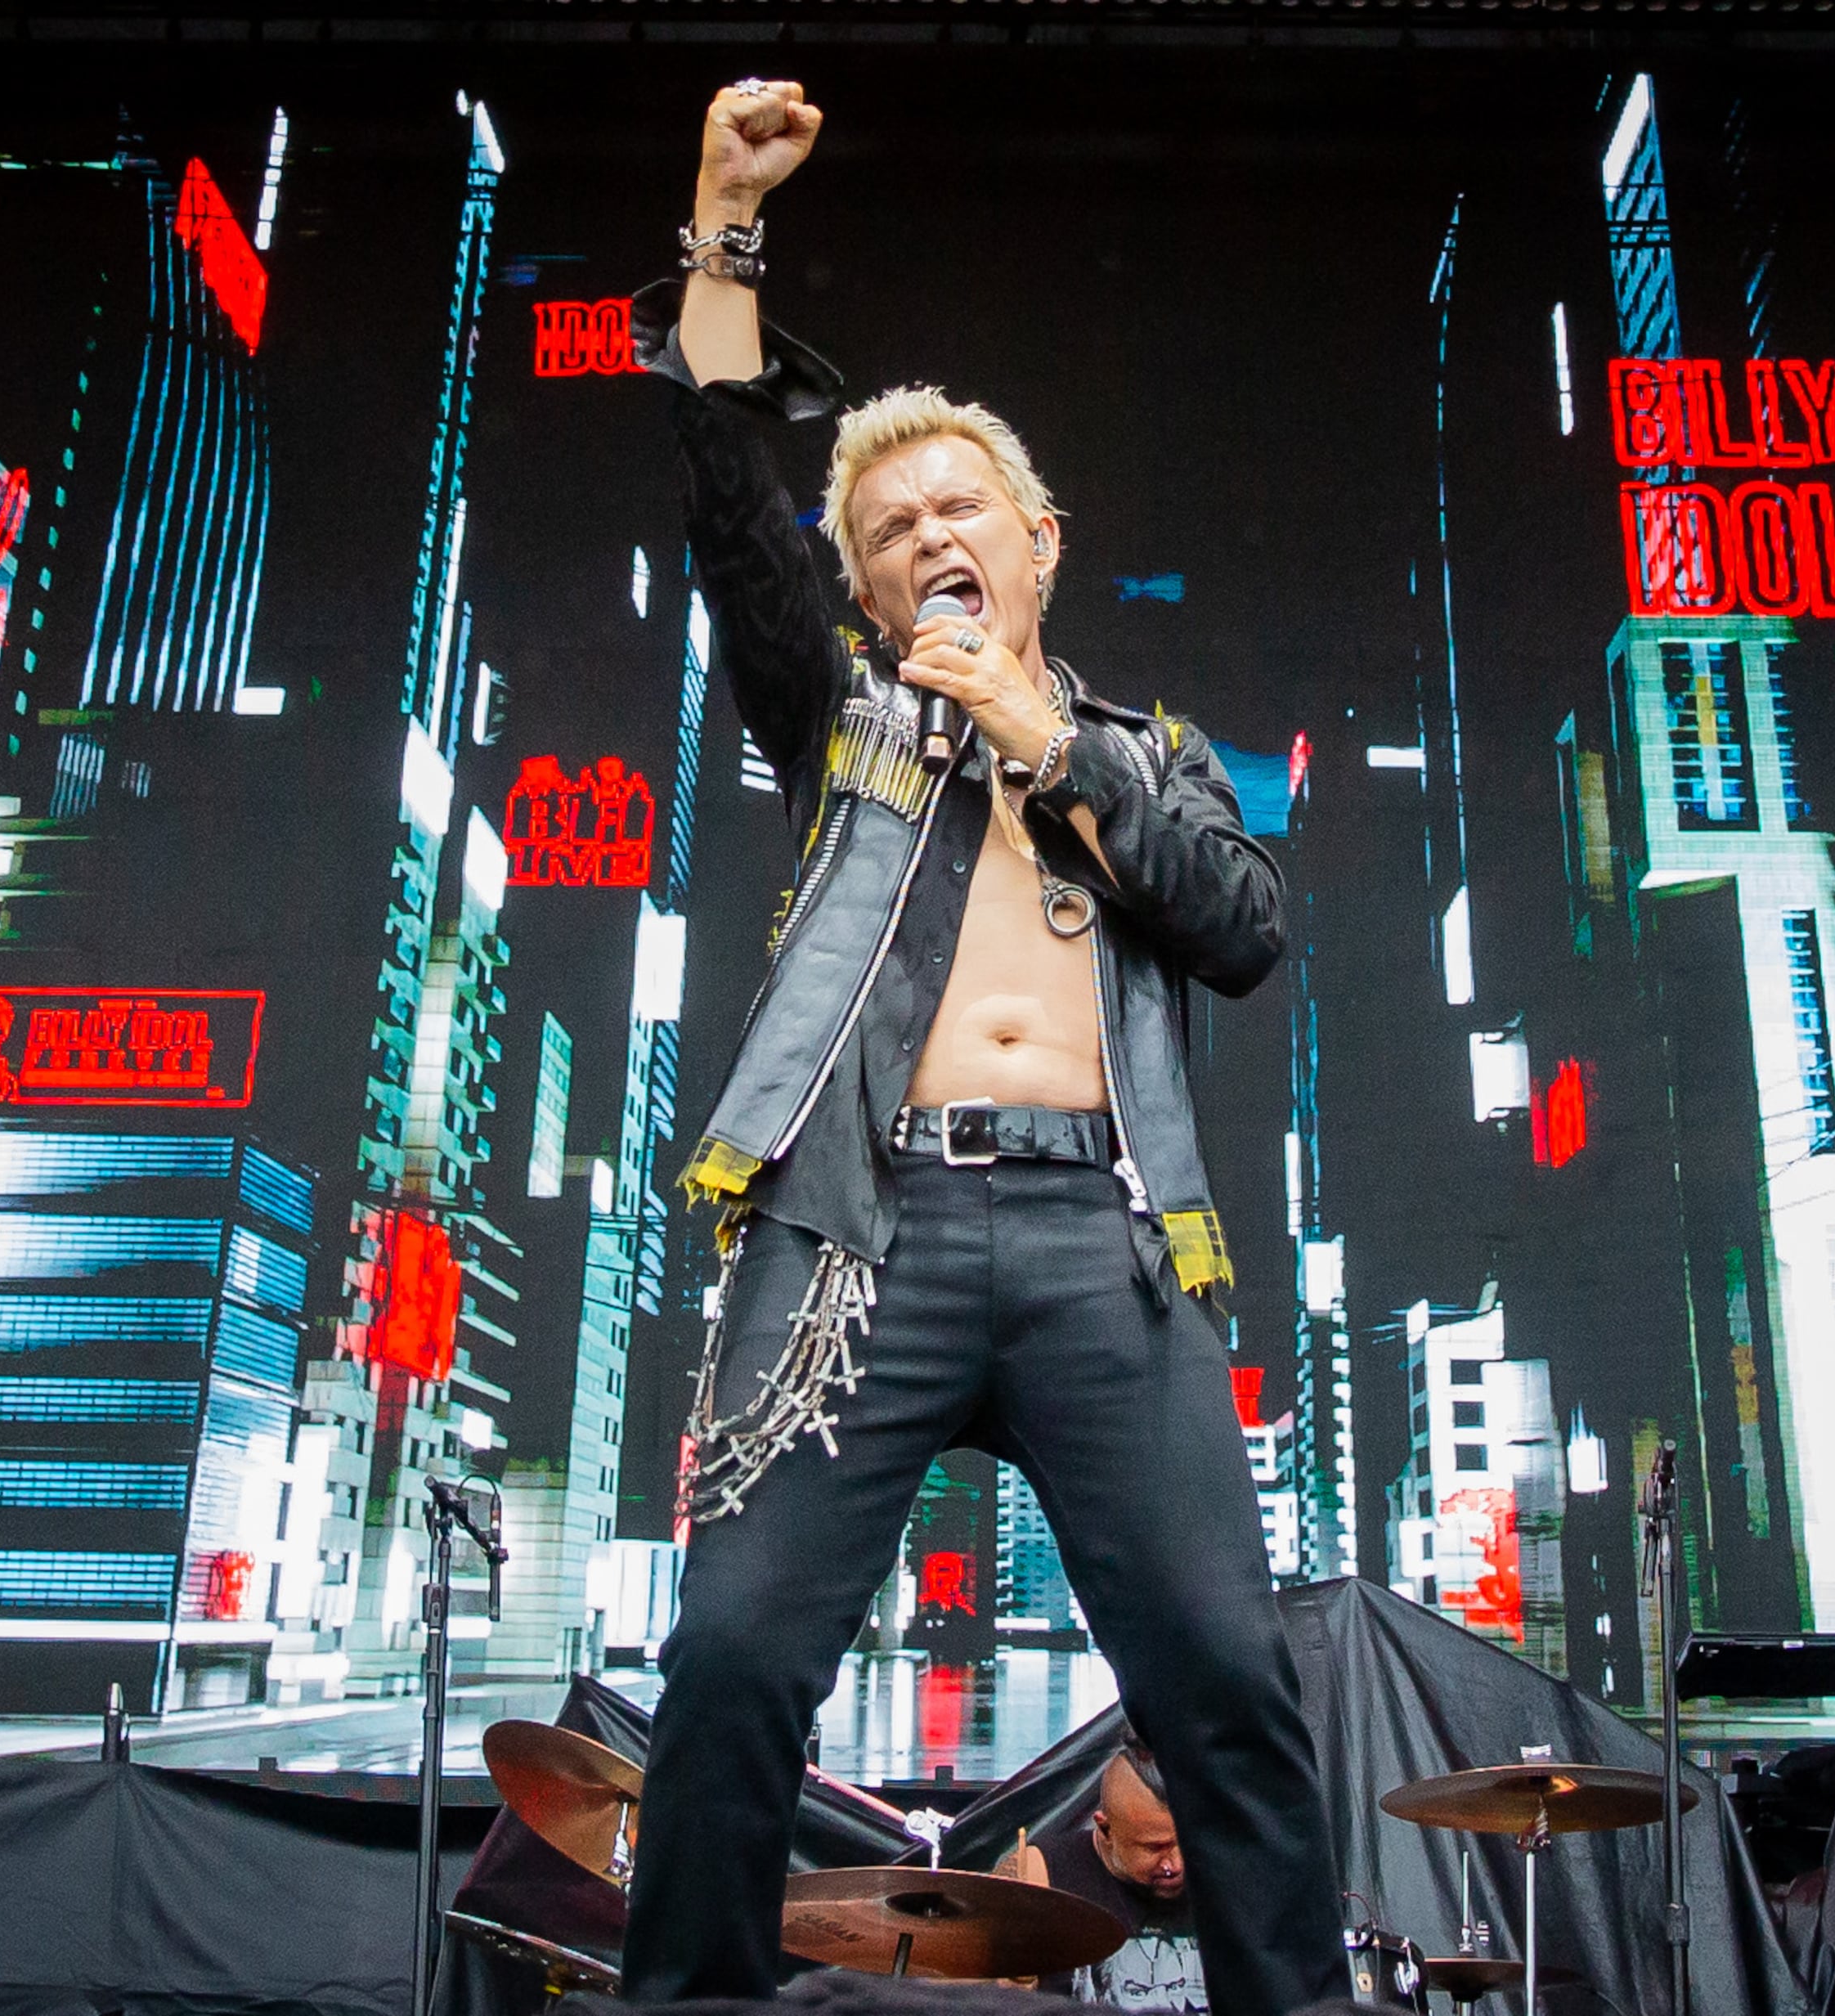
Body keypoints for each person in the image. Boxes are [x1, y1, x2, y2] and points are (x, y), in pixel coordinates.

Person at [615, 78, 1351, 2016]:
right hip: (861, 1242)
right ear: (860, 592)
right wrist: (719, 226)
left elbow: (1243, 926)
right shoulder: (841, 730)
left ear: (1034, 542)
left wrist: (1045, 744)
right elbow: (717, 486)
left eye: (958, 508)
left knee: (1226, 1684)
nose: (927, 532)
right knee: (733, 1665)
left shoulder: (1149, 758)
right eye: (887, 529)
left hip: (1107, 1251)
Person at [1000, 1744, 1209, 2012]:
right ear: (1105, 1829)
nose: (1176, 1864)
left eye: (1188, 1842)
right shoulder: (1040, 1873)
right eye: (1156, 1848)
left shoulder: (1226, 1869)